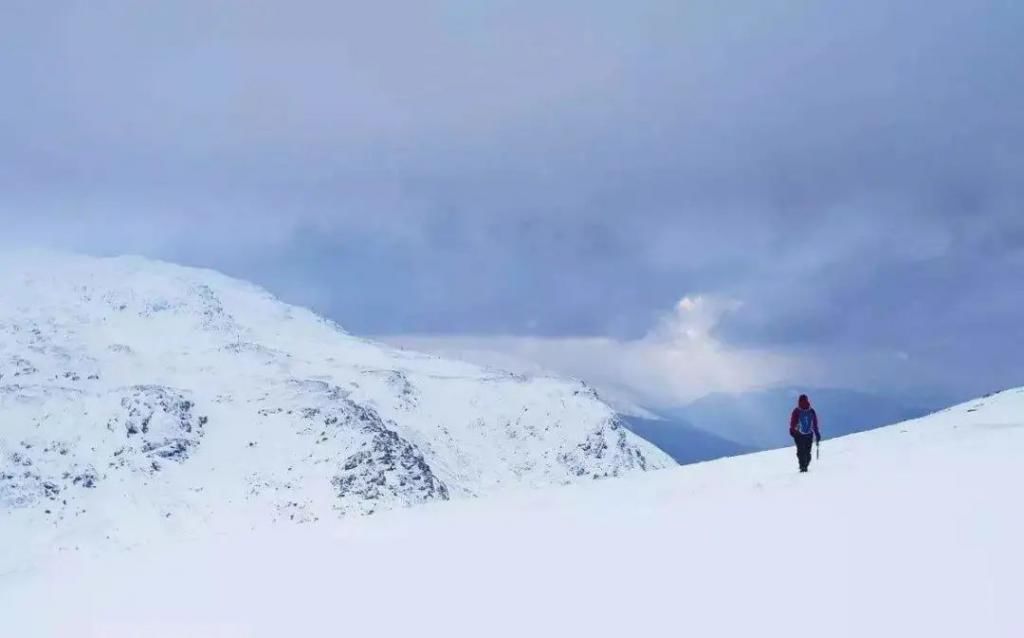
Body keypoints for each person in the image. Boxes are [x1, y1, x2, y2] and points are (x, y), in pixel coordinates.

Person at [789, 394, 821, 472]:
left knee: (800, 451)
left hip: (799, 435)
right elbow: (815, 424)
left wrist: (792, 431)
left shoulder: (796, 411)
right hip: (809, 435)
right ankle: (805, 464)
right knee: (807, 452)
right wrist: (817, 434)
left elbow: (792, 423)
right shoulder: (811, 410)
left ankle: (803, 467)